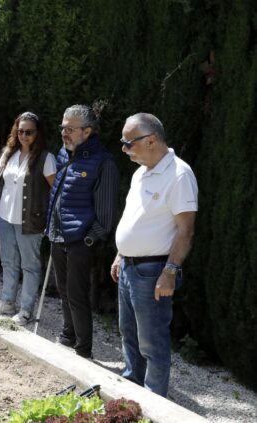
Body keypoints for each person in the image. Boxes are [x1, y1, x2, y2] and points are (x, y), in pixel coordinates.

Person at [111, 113, 197, 397]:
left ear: (151, 140)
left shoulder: (179, 175)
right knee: (129, 335)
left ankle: (153, 404)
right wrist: (120, 254)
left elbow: (185, 231)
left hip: (153, 271)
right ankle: (131, 396)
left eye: (128, 143)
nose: (124, 148)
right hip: (129, 267)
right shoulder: (140, 172)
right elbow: (134, 218)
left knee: (152, 342)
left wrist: (170, 272)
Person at [46, 104, 119, 358]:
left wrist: (90, 237)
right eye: (62, 127)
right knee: (63, 290)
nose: (64, 133)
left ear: (87, 131)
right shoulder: (64, 154)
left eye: (70, 128)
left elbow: (107, 212)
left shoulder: (103, 162)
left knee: (77, 294)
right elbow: (58, 195)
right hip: (58, 234)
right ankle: (67, 336)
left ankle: (83, 350)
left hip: (80, 239)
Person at [0, 111, 56, 326]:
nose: (23, 136)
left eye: (29, 132)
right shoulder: (8, 153)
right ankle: (7, 302)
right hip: (5, 217)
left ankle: (25, 310)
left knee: (30, 266)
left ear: (38, 133)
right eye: (20, 131)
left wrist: (52, 220)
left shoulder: (46, 158)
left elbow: (54, 191)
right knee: (8, 262)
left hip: (30, 221)